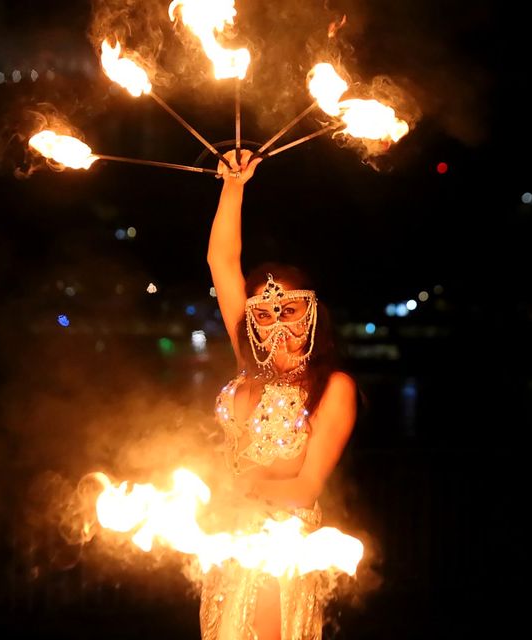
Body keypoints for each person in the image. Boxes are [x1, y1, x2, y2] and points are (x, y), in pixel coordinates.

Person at [200, 149, 358, 640]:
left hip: (280, 547)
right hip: (228, 543)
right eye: (265, 316)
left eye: (289, 312)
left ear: (311, 314)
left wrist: (234, 496)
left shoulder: (333, 387)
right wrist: (234, 186)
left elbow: (306, 486)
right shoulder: (247, 364)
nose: (278, 327)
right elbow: (221, 261)